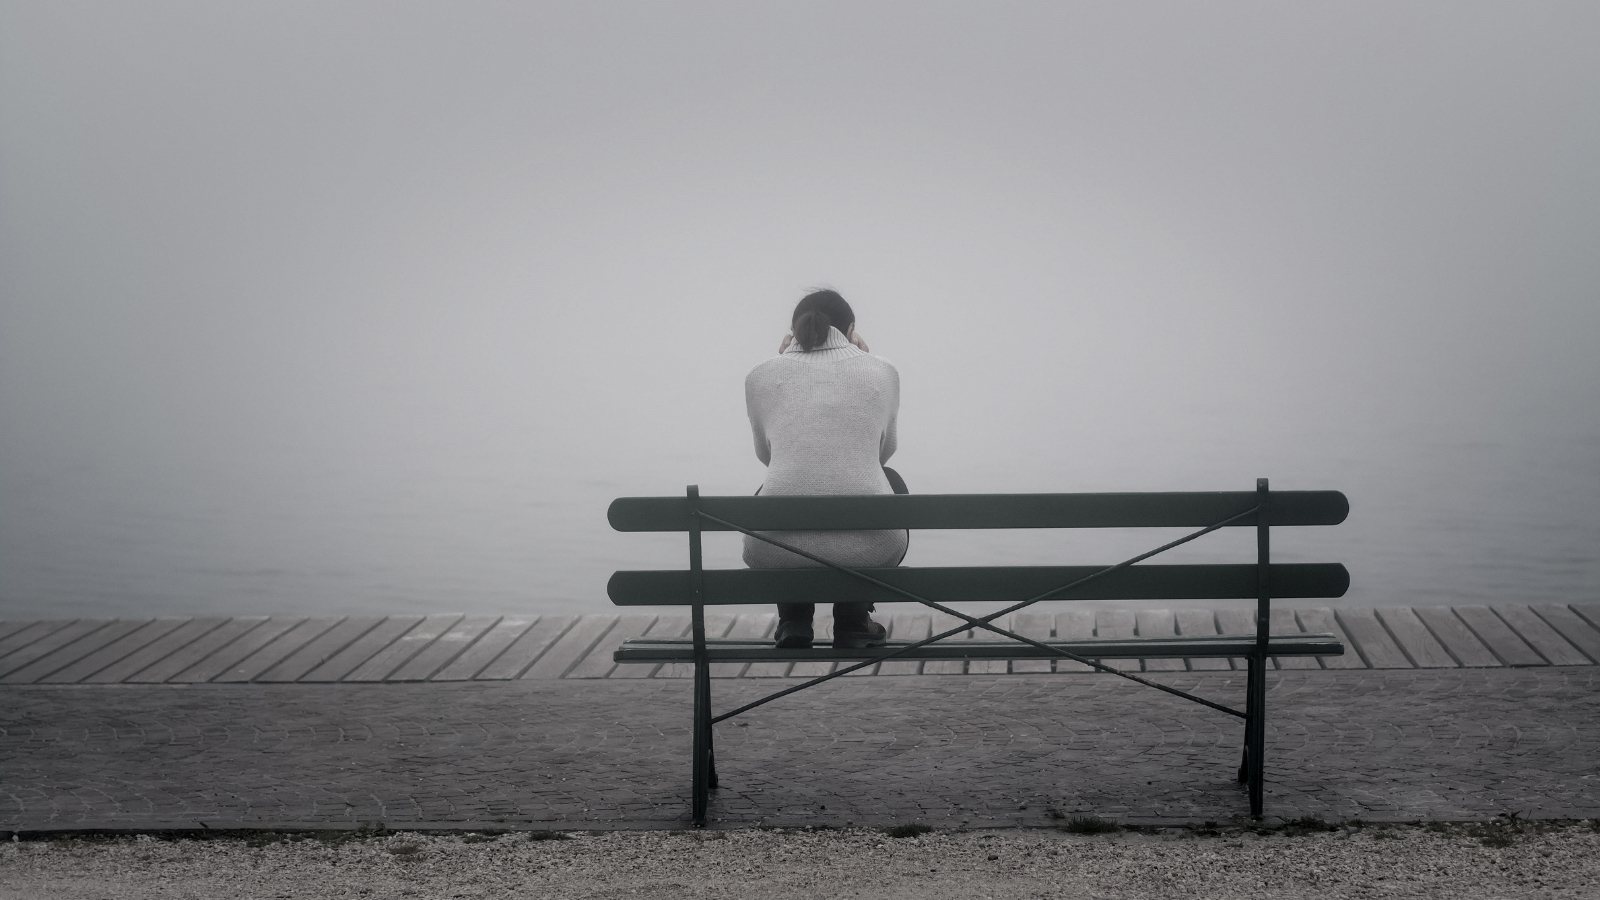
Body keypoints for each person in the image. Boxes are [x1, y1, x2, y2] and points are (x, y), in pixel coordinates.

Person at [743, 289, 908, 649]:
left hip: (774, 552)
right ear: (851, 330)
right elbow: (883, 452)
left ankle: (794, 621)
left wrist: (780, 360)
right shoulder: (883, 371)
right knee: (890, 482)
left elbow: (766, 455)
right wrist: (865, 358)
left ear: (794, 330)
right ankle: (852, 620)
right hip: (872, 547)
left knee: (779, 483)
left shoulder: (760, 375)